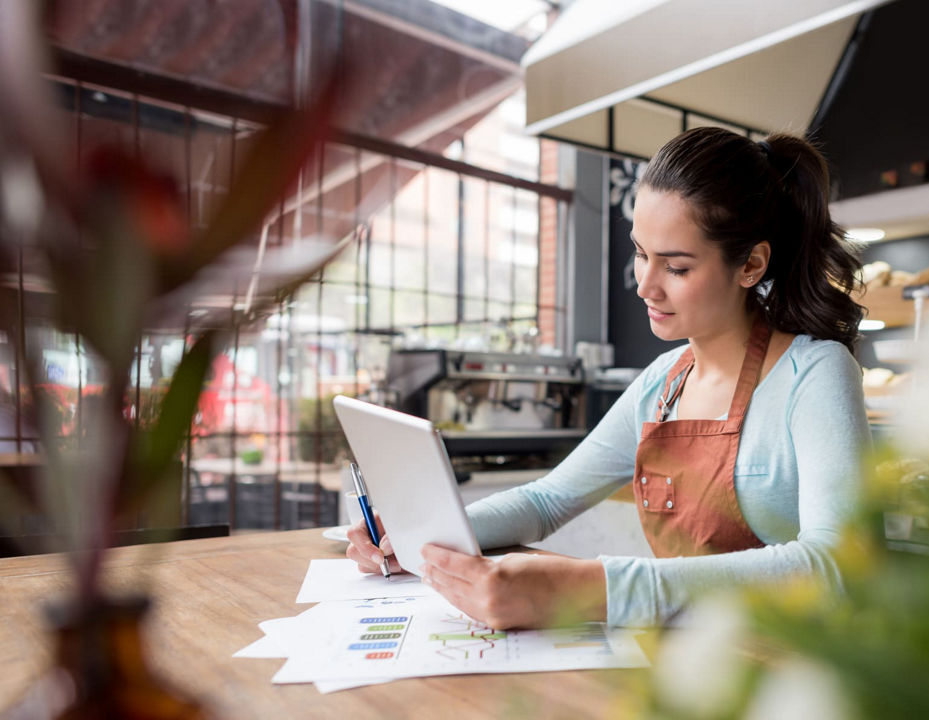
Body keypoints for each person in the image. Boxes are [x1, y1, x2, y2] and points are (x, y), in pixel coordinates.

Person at [347, 127, 872, 629]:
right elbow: (546, 501)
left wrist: (587, 587)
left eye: (677, 267)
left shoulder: (816, 373)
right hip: (693, 667)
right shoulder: (662, 383)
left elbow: (834, 567)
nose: (645, 286)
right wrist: (419, 535)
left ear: (751, 265)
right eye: (641, 253)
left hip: (792, 669)